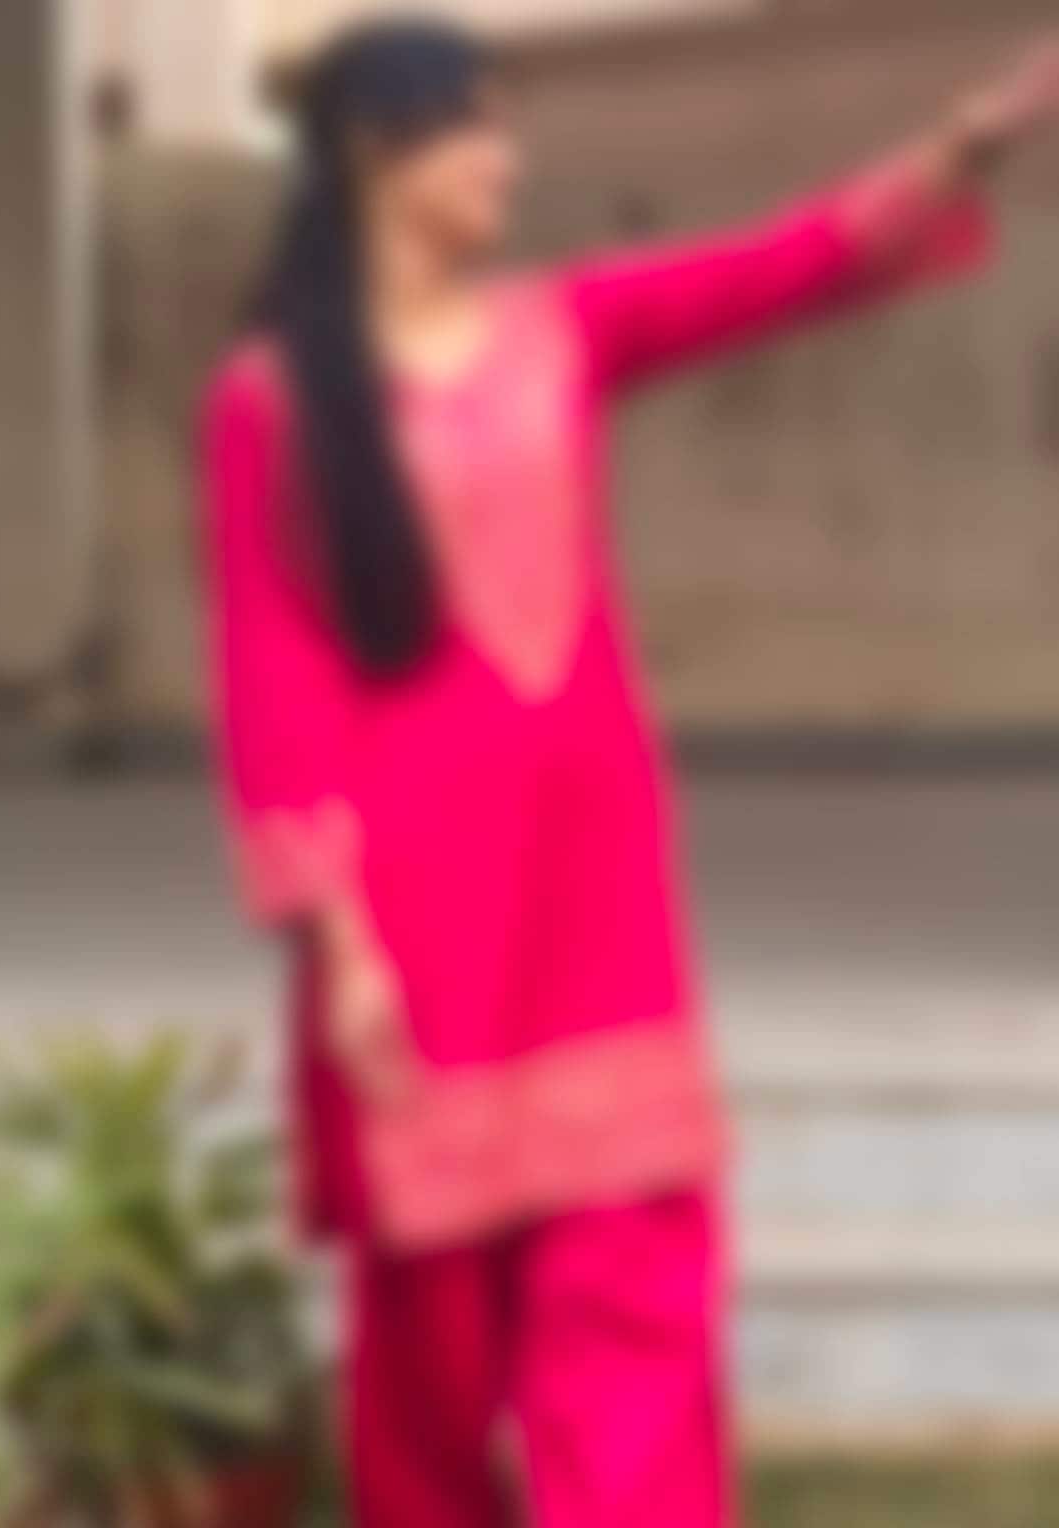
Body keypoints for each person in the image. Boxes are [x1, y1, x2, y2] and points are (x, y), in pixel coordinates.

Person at [201, 20, 1059, 1527]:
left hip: (593, 900)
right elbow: (276, 683)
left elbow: (775, 269)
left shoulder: (561, 329)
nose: (505, 161)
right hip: (415, 917)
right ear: (375, 149)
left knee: (634, 1297)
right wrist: (336, 945)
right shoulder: (272, 403)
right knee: (430, 1351)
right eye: (474, 128)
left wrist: (959, 151)